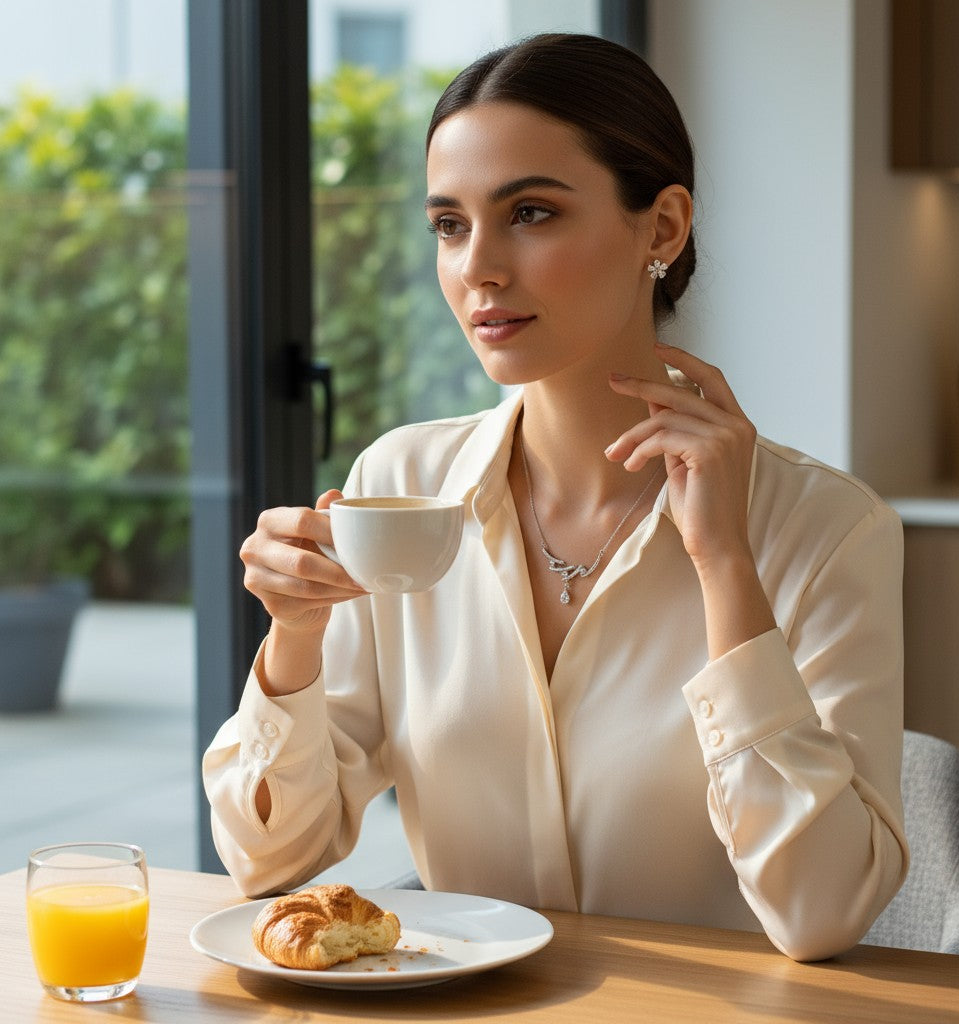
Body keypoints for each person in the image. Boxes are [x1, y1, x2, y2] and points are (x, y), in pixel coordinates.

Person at [203, 33, 908, 962]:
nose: (479, 268)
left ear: (662, 227)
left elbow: (822, 914)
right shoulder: (396, 491)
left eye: (529, 212)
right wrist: (292, 642)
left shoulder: (826, 528)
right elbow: (268, 860)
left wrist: (724, 566)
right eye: (449, 225)